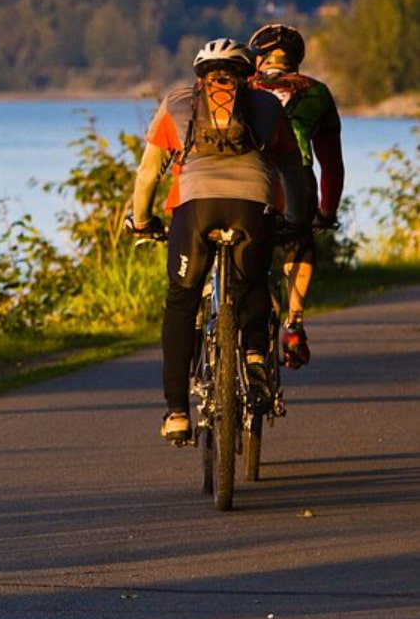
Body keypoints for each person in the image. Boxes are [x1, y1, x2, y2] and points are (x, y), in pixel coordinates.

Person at [125, 37, 308, 443]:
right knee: (253, 280)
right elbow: (293, 172)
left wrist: (141, 221)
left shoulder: (177, 103)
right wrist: (296, 219)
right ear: (247, 74)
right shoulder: (267, 106)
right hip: (253, 205)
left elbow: (147, 175)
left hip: (196, 208)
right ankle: (256, 355)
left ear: (199, 76)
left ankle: (176, 413)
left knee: (182, 298)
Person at [248, 22, 345, 368]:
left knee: (247, 254)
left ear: (258, 58)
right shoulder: (317, 92)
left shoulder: (244, 88)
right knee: (298, 240)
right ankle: (294, 323)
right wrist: (326, 212)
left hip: (247, 179)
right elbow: (331, 164)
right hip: (297, 181)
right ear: (296, 61)